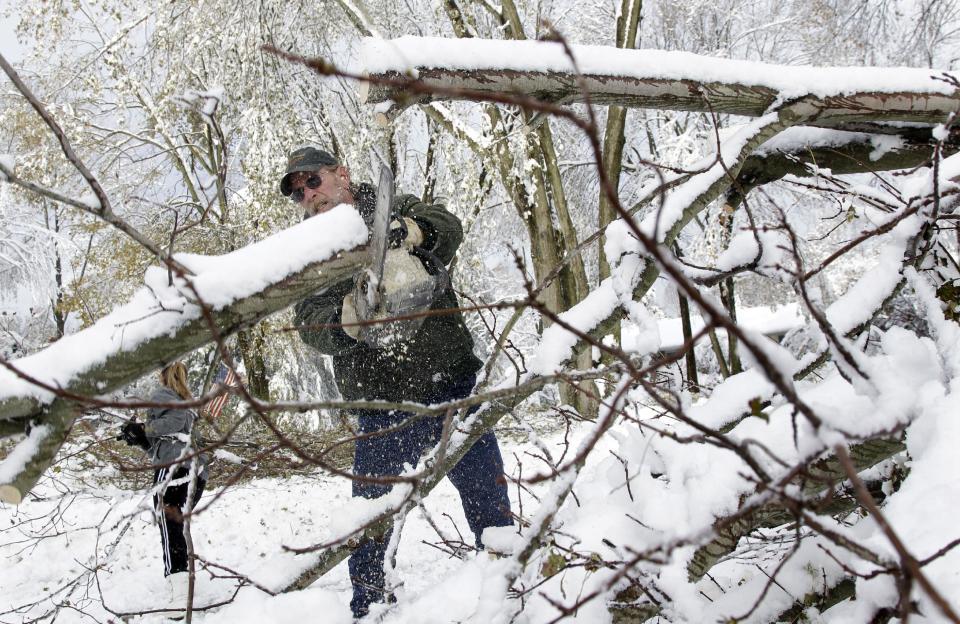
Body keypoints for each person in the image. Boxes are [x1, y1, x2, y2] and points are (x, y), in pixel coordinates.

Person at [285, 146, 513, 618]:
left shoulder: (395, 206)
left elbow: (447, 226)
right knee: (371, 519)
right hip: (379, 404)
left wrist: (410, 232)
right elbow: (307, 319)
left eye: (313, 180)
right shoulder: (309, 252)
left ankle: (509, 585)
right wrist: (346, 321)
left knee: (487, 500)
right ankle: (369, 606)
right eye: (299, 191)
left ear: (340, 174)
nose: (309, 194)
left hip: (448, 386)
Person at [119, 361, 209, 602]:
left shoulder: (165, 398)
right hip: (195, 473)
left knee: (169, 527)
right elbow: (163, 446)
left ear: (163, 378)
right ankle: (180, 586)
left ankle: (180, 592)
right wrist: (139, 438)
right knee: (175, 526)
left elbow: (171, 423)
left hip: (173, 470)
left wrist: (143, 428)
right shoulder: (188, 405)